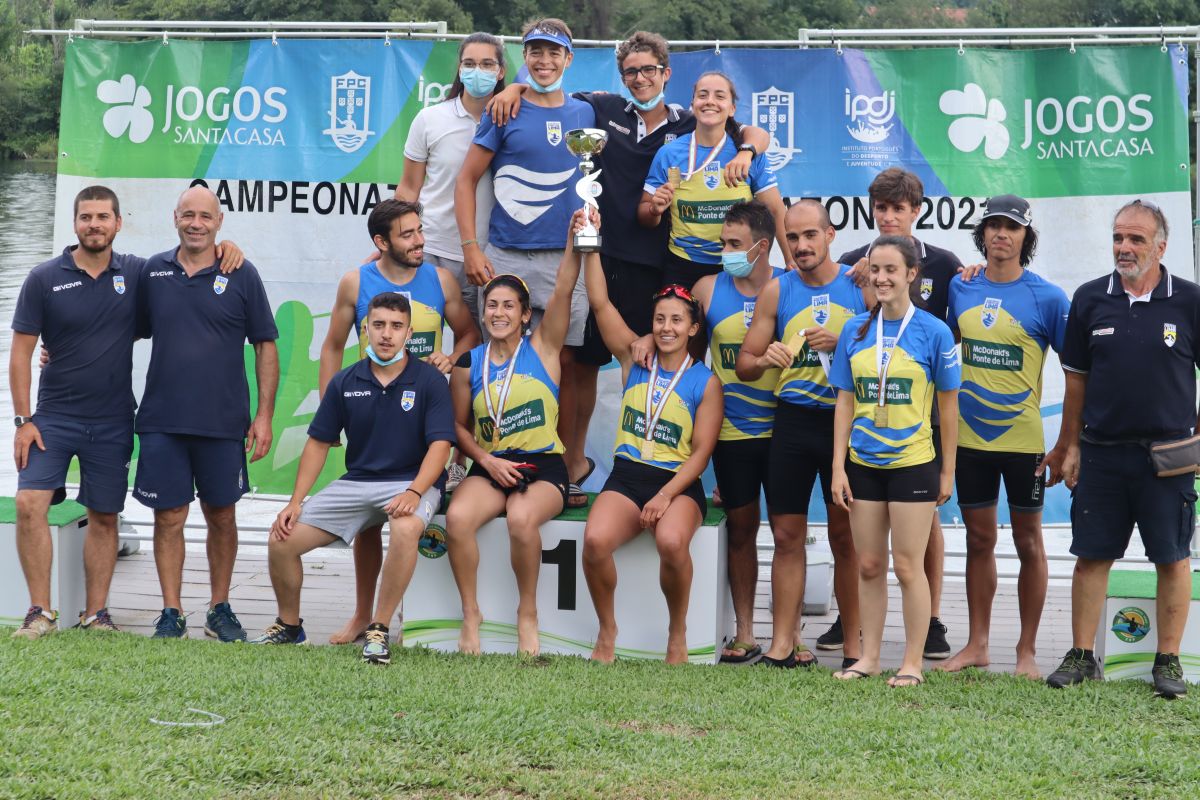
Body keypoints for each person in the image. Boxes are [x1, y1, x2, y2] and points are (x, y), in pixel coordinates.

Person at [485, 31, 771, 491]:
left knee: (673, 363)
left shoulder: (686, 120)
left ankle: (682, 470)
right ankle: (573, 465)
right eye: (631, 72)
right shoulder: (601, 109)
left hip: (652, 265)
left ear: (666, 73)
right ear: (621, 77)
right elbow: (548, 91)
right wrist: (516, 87)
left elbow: (754, 133)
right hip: (597, 254)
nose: (640, 79)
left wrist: (749, 150)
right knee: (578, 363)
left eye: (648, 70)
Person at [9, 185, 243, 640]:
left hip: (114, 418)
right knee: (29, 503)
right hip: (52, 417)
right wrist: (23, 419)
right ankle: (40, 612)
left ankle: (96, 614)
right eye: (85, 217)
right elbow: (21, 354)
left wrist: (226, 249)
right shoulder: (43, 277)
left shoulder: (140, 273)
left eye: (103, 217)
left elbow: (189, 266)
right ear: (75, 223)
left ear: (119, 223)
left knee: (104, 515)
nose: (94, 225)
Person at [1043, 200, 1197, 700]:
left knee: (1172, 559)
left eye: (1135, 239)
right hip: (1101, 453)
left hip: (1168, 457)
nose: (1124, 248)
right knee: (1091, 557)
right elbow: (1076, 383)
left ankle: (1168, 660)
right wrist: (1068, 447)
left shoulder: (1190, 301)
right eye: (1117, 238)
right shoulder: (1090, 299)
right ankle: (1082, 655)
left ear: (1161, 246)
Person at [253, 292, 455, 665]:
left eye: (396, 326)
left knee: (407, 527)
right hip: (357, 481)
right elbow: (317, 444)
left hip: (411, 480)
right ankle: (289, 625)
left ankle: (378, 629)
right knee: (281, 539)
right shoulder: (345, 380)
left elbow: (440, 447)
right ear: (365, 330)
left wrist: (415, 490)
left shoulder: (429, 381)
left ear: (409, 333)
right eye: (378, 325)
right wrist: (295, 502)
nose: (386, 334)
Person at [317, 198, 479, 645]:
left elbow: (470, 332)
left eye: (420, 230)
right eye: (408, 234)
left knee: (417, 514)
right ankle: (361, 616)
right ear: (381, 242)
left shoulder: (440, 278)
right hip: (371, 414)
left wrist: (451, 355)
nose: (420, 240)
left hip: (426, 420)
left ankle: (418, 618)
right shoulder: (355, 282)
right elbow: (332, 346)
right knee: (369, 520)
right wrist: (328, 409)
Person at [454, 18, 594, 506]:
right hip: (505, 255)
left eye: (554, 53)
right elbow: (466, 180)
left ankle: (565, 466)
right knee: (490, 358)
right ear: (524, 57)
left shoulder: (588, 112)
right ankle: (478, 462)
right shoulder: (503, 108)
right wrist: (471, 246)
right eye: (534, 51)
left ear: (568, 59)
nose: (544, 60)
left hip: (565, 259)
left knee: (567, 362)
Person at [133, 185, 279, 642]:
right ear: (174, 217)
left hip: (222, 422)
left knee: (222, 515)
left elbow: (265, 346)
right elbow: (112, 323)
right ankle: (171, 611)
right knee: (168, 516)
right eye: (188, 215)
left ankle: (219, 608)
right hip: (162, 419)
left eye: (205, 217)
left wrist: (264, 416)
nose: (196, 223)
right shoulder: (151, 271)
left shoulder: (241, 272)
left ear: (219, 222)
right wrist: (53, 351)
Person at [444, 211, 588, 656]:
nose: (498, 313)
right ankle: (472, 613)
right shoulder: (469, 365)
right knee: (457, 520)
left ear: (526, 315)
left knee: (523, 521)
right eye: (491, 305)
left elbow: (563, 287)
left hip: (543, 467)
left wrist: (573, 241)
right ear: (482, 312)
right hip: (491, 466)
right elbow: (457, 428)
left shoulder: (544, 348)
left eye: (509, 306)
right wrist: (485, 461)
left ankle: (528, 613)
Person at [834, 167, 964, 660]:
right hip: (867, 435)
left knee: (913, 553)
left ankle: (925, 632)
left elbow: (950, 380)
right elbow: (844, 369)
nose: (888, 217)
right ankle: (863, 646)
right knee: (869, 561)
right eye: (881, 208)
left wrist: (947, 467)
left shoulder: (947, 265)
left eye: (898, 208)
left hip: (920, 433)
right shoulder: (852, 266)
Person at [736, 199, 872, 668]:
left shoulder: (859, 282)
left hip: (845, 423)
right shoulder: (778, 290)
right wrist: (764, 360)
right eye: (792, 238)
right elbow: (745, 364)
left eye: (810, 235)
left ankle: (854, 645)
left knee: (845, 538)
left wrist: (845, 342)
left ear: (830, 235)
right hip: (792, 421)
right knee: (786, 534)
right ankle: (781, 643)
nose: (801, 246)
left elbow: (887, 349)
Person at [582, 217, 723, 665]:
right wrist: (589, 246)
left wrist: (665, 495)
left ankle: (677, 632)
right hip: (627, 477)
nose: (666, 327)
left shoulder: (705, 381)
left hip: (676, 482)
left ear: (693, 329)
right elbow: (601, 303)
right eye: (660, 319)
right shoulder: (634, 358)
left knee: (670, 542)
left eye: (676, 320)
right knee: (595, 542)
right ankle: (608, 631)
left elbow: (701, 453)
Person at [939, 195, 1068, 679]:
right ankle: (977, 644)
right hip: (969, 440)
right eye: (993, 225)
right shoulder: (960, 286)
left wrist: (1069, 442)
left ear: (1026, 237)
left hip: (1023, 441)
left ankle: (1027, 652)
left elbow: (1076, 373)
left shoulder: (1049, 298)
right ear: (982, 234)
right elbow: (944, 350)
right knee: (978, 540)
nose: (1001, 234)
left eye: (1011, 228)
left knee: (1029, 542)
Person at [679, 200, 784, 665]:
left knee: (789, 533)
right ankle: (744, 631)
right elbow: (687, 352)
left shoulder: (789, 287)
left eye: (734, 244)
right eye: (723, 242)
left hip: (785, 430)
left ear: (761, 247)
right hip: (732, 431)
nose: (724, 250)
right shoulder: (706, 288)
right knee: (742, 529)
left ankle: (789, 634)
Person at [640, 71, 792, 295]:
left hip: (736, 264)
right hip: (683, 265)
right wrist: (654, 210)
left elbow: (776, 211)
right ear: (692, 104)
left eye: (720, 96)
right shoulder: (669, 154)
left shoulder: (749, 153)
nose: (710, 101)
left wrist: (791, 261)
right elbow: (644, 213)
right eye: (702, 95)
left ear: (732, 109)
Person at [396, 31, 506, 325]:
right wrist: (394, 241)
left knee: (473, 349)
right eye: (469, 64)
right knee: (416, 340)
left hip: (486, 256)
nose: (477, 71)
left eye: (486, 64)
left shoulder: (513, 121)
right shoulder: (430, 119)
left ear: (500, 72)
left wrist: (517, 91)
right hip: (429, 249)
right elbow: (408, 188)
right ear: (459, 69)